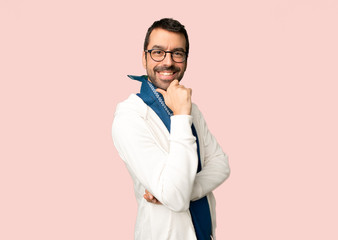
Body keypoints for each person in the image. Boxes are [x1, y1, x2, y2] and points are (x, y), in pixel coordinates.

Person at [112, 18, 230, 240]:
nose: (168, 62)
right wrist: (182, 117)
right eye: (158, 52)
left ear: (186, 60)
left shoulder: (190, 107)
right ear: (144, 57)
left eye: (177, 53)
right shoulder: (130, 116)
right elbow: (175, 198)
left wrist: (187, 192)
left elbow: (221, 165)